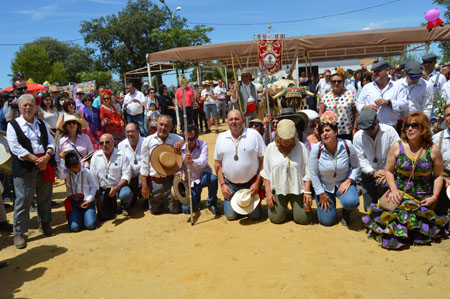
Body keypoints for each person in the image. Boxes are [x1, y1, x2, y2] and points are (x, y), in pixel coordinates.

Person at [363, 112, 448, 249]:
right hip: (400, 195)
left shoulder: (433, 150)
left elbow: (439, 175)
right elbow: (389, 171)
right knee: (396, 228)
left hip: (423, 198)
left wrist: (435, 197)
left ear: (424, 129)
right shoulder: (397, 146)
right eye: (407, 125)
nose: (409, 129)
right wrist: (394, 190)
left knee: (419, 230)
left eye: (414, 125)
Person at [6, 94, 56, 249]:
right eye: (25, 105)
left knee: (45, 196)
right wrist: (36, 159)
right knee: (23, 199)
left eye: (31, 105)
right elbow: (15, 147)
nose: (28, 108)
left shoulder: (41, 123)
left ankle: (45, 223)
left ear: (35, 107)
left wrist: (46, 157)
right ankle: (19, 232)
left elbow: (51, 142)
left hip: (45, 163)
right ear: (20, 108)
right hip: (25, 165)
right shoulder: (13, 125)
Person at [309, 111, 360, 226]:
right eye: (322, 132)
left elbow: (356, 166)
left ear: (335, 131)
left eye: (328, 130)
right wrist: (321, 194)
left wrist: (349, 180)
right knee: (326, 221)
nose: (325, 134)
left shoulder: (347, 145)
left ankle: (346, 212)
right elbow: (313, 173)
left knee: (351, 202)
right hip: (325, 187)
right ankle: (329, 208)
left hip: (343, 183)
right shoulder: (316, 149)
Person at [214, 110, 266, 220]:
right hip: (230, 185)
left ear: (243, 120)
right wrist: (223, 185)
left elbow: (263, 160)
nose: (234, 122)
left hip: (251, 184)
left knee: (255, 216)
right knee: (231, 216)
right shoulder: (221, 137)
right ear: (227, 121)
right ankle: (239, 206)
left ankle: (245, 206)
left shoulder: (254, 135)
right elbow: (217, 164)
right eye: (231, 119)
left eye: (236, 119)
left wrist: (257, 183)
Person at [261, 119, 312, 224]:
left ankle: (296, 208)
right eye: (283, 137)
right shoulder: (270, 148)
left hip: (298, 189)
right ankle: (283, 208)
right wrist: (268, 193)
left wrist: (307, 191)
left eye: (289, 137)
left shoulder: (301, 147)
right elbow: (266, 173)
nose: (286, 140)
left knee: (303, 219)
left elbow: (308, 171)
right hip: (278, 189)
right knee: (276, 218)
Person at [353, 109, 400, 211]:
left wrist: (387, 171)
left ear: (377, 121)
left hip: (388, 172)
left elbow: (398, 154)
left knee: (387, 203)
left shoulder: (390, 131)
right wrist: (373, 172)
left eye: (371, 128)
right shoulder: (358, 136)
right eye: (366, 130)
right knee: (368, 209)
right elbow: (360, 159)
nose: (369, 132)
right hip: (368, 174)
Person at [140, 115, 183, 214]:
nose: (163, 128)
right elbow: (144, 164)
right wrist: (144, 185)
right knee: (155, 211)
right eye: (161, 124)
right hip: (155, 182)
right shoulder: (148, 141)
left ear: (171, 127)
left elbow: (187, 142)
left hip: (171, 182)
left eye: (166, 126)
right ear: (157, 124)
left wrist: (182, 141)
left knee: (175, 210)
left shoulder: (176, 138)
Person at [178, 125, 218, 215]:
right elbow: (179, 165)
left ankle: (211, 202)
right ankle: (196, 198)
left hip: (203, 176)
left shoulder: (203, 145)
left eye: (191, 139)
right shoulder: (180, 148)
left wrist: (192, 162)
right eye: (185, 138)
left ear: (197, 137)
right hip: (190, 181)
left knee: (213, 179)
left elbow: (203, 162)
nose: (188, 142)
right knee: (186, 209)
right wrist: (179, 173)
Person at [90, 134, 133, 217]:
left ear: (113, 142)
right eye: (102, 143)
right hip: (104, 189)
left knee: (126, 194)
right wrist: (98, 196)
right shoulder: (95, 157)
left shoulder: (122, 155)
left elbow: (126, 175)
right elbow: (93, 177)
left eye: (107, 142)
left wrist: (116, 188)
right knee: (104, 216)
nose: (104, 145)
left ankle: (123, 207)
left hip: (119, 187)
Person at [357, 61, 408, 129]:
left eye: (378, 71)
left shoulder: (398, 86)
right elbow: (358, 103)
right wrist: (365, 107)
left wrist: (388, 103)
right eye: (373, 71)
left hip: (390, 127)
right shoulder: (367, 87)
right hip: (370, 128)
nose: (374, 73)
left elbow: (404, 105)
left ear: (387, 71)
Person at [58, 151, 98, 232]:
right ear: (69, 168)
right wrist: (62, 160)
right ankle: (80, 217)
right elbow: (60, 175)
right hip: (73, 203)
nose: (79, 168)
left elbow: (94, 187)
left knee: (91, 225)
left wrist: (89, 200)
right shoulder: (67, 174)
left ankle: (86, 216)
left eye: (79, 164)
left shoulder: (87, 172)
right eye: (76, 167)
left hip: (86, 200)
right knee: (74, 228)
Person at [319, 72, 358, 140]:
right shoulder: (325, 97)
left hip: (347, 131)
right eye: (334, 81)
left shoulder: (351, 95)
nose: (336, 83)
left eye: (339, 81)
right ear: (331, 83)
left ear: (343, 82)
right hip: (330, 132)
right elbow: (321, 115)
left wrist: (355, 129)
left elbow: (356, 114)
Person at [118, 123, 144, 206]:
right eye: (128, 132)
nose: (130, 134)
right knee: (131, 204)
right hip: (129, 178)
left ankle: (146, 198)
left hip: (144, 176)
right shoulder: (121, 145)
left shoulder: (146, 142)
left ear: (138, 131)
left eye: (132, 131)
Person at [432, 104, 450, 219]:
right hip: (443, 179)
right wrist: (441, 178)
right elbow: (429, 166)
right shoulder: (436, 139)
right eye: (448, 115)